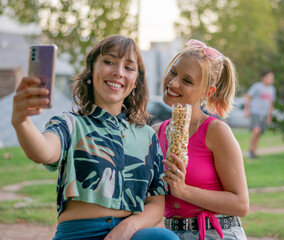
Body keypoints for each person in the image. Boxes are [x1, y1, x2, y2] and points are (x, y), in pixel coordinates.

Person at [11, 35, 179, 240]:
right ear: (91, 71)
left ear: (135, 81)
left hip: (129, 234)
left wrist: (125, 230)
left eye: (129, 67)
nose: (118, 72)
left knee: (163, 238)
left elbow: (156, 202)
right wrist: (22, 122)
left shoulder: (148, 136)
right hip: (77, 234)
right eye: (109, 62)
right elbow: (43, 151)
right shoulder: (70, 124)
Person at [152, 39, 249, 240]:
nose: (173, 83)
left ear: (207, 92)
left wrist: (184, 190)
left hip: (216, 233)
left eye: (187, 81)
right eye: (173, 72)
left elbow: (241, 204)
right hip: (171, 234)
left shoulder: (216, 131)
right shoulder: (155, 132)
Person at [244, 70, 276, 159]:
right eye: (269, 77)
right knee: (256, 130)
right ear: (264, 78)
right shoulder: (257, 86)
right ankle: (250, 151)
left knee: (259, 133)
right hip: (255, 112)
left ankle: (254, 151)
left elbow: (271, 103)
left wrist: (269, 115)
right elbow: (248, 96)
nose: (271, 79)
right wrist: (246, 110)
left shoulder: (272, 89)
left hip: (264, 114)